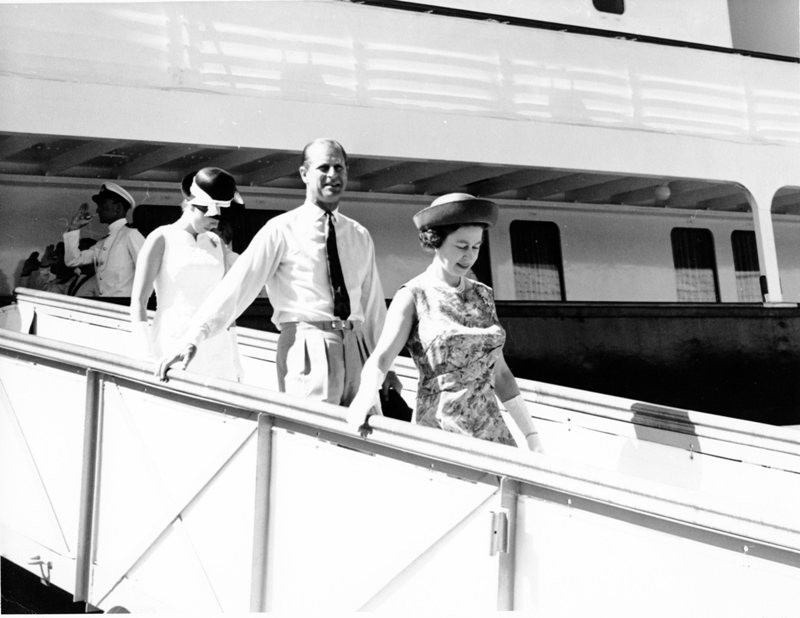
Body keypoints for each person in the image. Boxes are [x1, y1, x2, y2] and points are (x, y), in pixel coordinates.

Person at [157, 138, 400, 403]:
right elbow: (238, 285)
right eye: (323, 168)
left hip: (356, 348)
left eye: (339, 168)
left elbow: (374, 308)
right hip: (308, 345)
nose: (333, 175)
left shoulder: (359, 234)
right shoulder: (281, 229)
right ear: (304, 174)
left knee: (363, 436)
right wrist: (193, 337)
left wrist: (387, 367)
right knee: (312, 437)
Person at [347, 193, 544, 452]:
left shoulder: (483, 295)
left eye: (476, 247)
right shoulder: (413, 295)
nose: (469, 256)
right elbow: (381, 358)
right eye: (461, 246)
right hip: (440, 429)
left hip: (490, 430)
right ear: (436, 240)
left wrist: (530, 433)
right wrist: (363, 400)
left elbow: (500, 372)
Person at [130, 168, 244, 382]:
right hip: (172, 338)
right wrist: (144, 355)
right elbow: (138, 301)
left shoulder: (216, 242)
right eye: (211, 215)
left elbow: (226, 303)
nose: (216, 222)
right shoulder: (161, 237)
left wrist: (235, 358)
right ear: (192, 206)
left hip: (215, 344)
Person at [63, 182, 144, 300]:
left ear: (118, 208)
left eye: (102, 204)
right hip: (105, 307)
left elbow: (150, 272)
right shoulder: (103, 243)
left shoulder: (131, 235)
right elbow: (72, 261)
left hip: (125, 307)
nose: (97, 210)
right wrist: (74, 228)